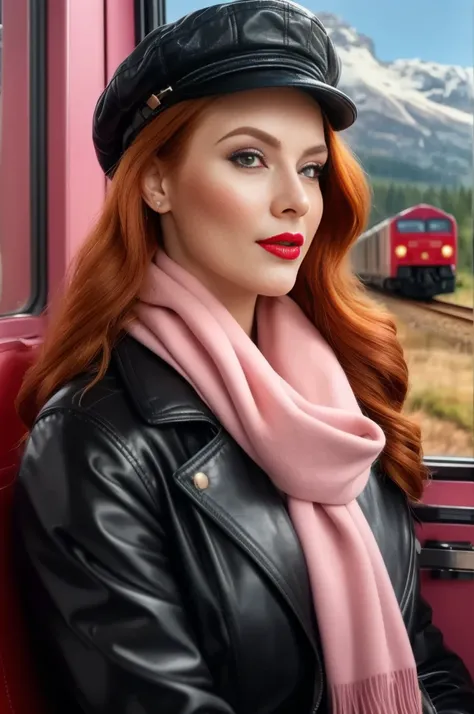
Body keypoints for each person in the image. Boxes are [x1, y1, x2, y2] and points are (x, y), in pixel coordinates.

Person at [12, 1, 474, 713]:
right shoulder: (94, 444)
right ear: (156, 183)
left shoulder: (338, 397)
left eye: (313, 168)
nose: (296, 200)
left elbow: (424, 663)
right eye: (249, 157)